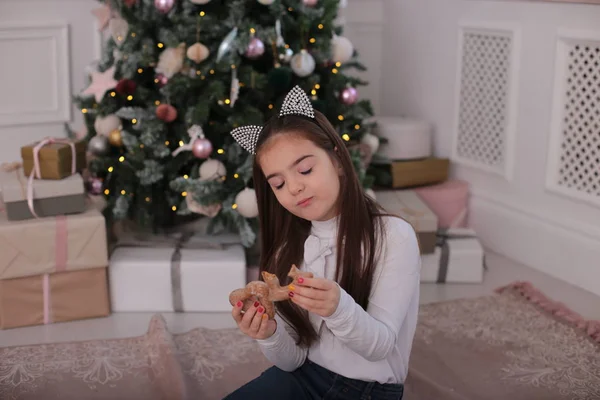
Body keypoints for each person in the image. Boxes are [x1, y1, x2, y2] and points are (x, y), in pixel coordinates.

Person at [224, 86, 421, 400]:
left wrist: (338, 308)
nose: (295, 187)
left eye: (305, 169)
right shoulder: (288, 250)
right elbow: (293, 360)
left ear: (338, 161)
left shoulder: (393, 236)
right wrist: (269, 334)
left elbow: (380, 346)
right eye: (278, 183)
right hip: (303, 377)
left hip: (368, 391)